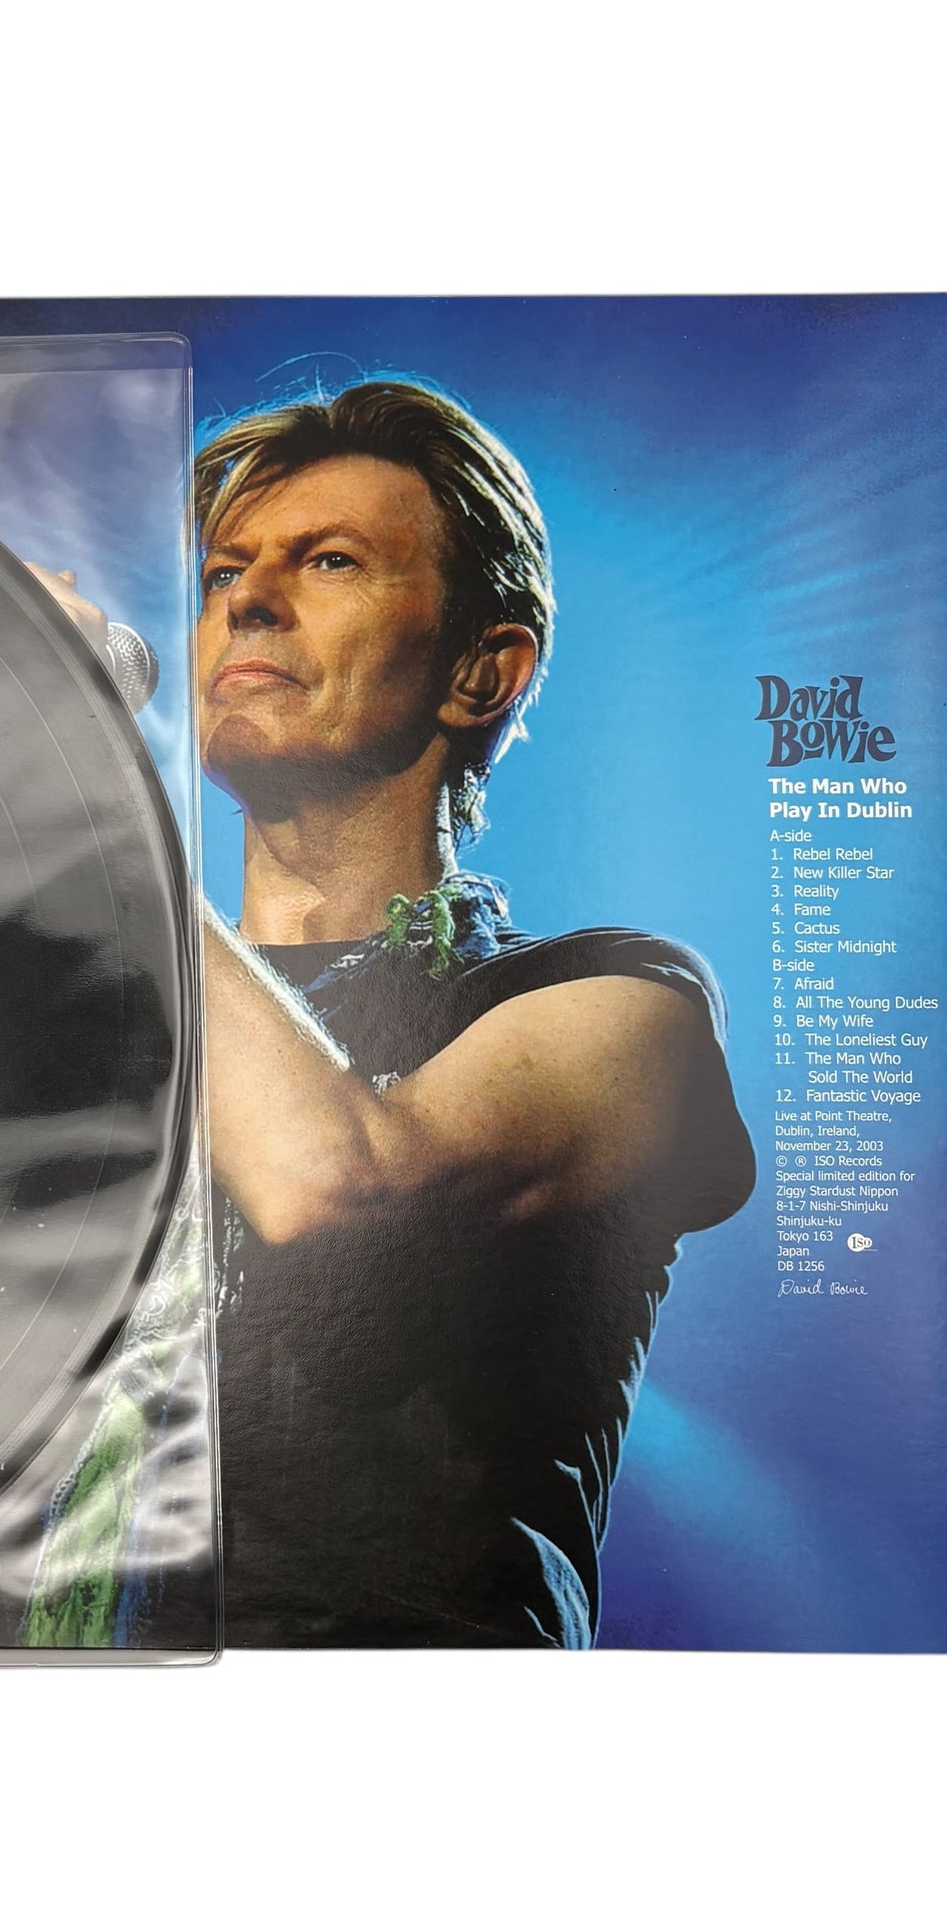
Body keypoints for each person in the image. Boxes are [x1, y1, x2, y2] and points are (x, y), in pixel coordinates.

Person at [190, 380, 754, 1646]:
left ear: (478, 671)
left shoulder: (624, 1004)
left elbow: (336, 1183)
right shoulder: (100, 1002)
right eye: (224, 568)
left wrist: (87, 804)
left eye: (327, 560)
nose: (248, 597)